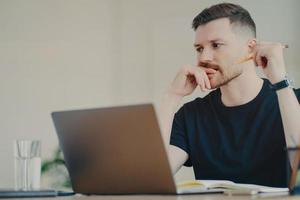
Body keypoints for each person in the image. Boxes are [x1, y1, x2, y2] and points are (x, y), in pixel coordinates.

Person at [160, 3, 300, 187]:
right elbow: (150, 178)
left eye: (216, 45)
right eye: (199, 48)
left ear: (250, 48)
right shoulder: (191, 116)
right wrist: (172, 95)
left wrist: (280, 81)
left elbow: (298, 169)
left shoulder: (292, 100)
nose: (204, 58)